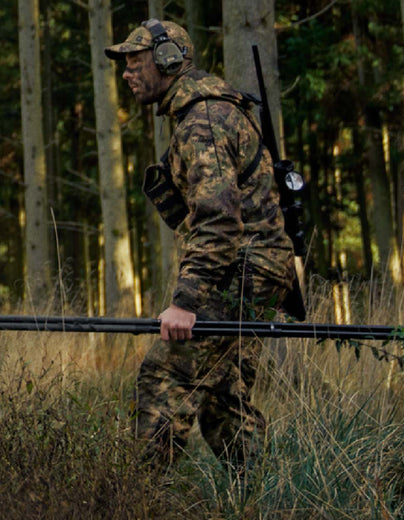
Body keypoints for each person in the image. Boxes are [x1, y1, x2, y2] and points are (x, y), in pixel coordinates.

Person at [105, 19, 295, 479]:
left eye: (136, 62)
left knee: (165, 378)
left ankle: (139, 500)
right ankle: (261, 499)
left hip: (242, 271)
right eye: (125, 65)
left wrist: (186, 302)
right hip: (253, 269)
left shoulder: (203, 120)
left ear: (169, 60)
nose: (127, 74)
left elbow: (218, 219)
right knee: (221, 398)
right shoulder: (205, 111)